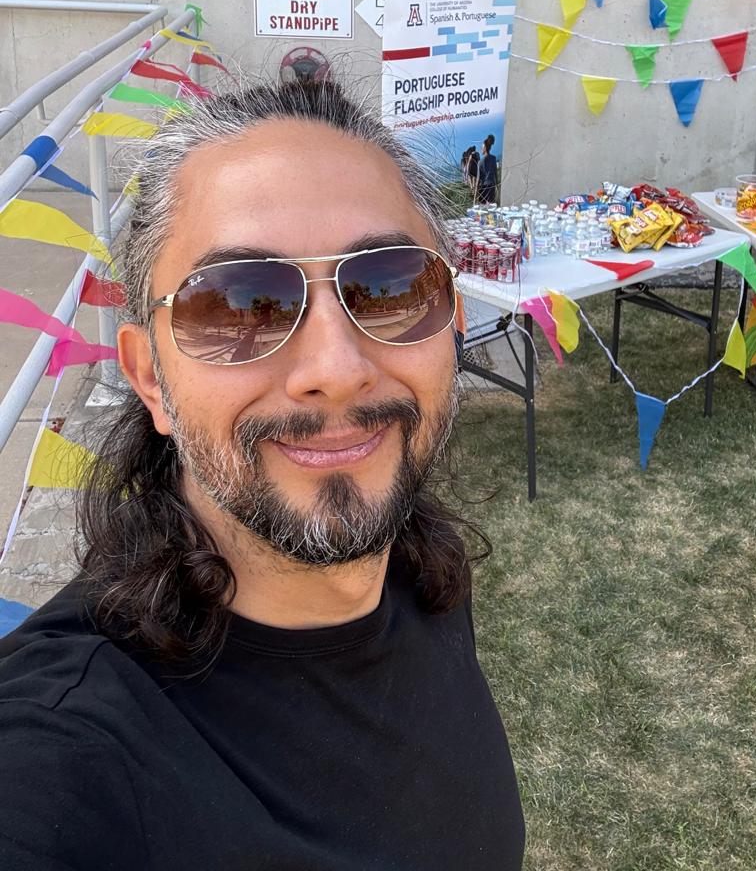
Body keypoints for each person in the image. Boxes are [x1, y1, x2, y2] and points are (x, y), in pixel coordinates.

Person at [0, 78, 525, 870]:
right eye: (238, 304)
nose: (336, 369)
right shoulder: (67, 761)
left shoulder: (419, 569)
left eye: (389, 287)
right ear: (149, 378)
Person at [477, 139, 498, 205]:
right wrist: (497, 184)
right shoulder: (493, 158)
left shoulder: (480, 162)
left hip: (483, 187)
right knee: (491, 206)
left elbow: (478, 177)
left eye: (482, 148)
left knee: (483, 207)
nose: (481, 149)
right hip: (492, 186)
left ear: (485, 148)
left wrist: (476, 191)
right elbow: (495, 172)